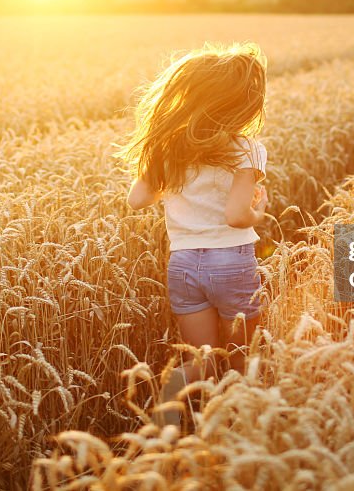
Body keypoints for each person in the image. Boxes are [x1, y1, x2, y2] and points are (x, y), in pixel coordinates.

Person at [115, 41, 269, 427]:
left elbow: (137, 199)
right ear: (241, 104)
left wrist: (160, 157)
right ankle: (238, 432)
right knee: (239, 359)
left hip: (183, 264)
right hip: (231, 262)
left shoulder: (168, 148)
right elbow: (236, 216)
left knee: (199, 360)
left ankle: (164, 426)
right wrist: (258, 212)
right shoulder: (246, 149)